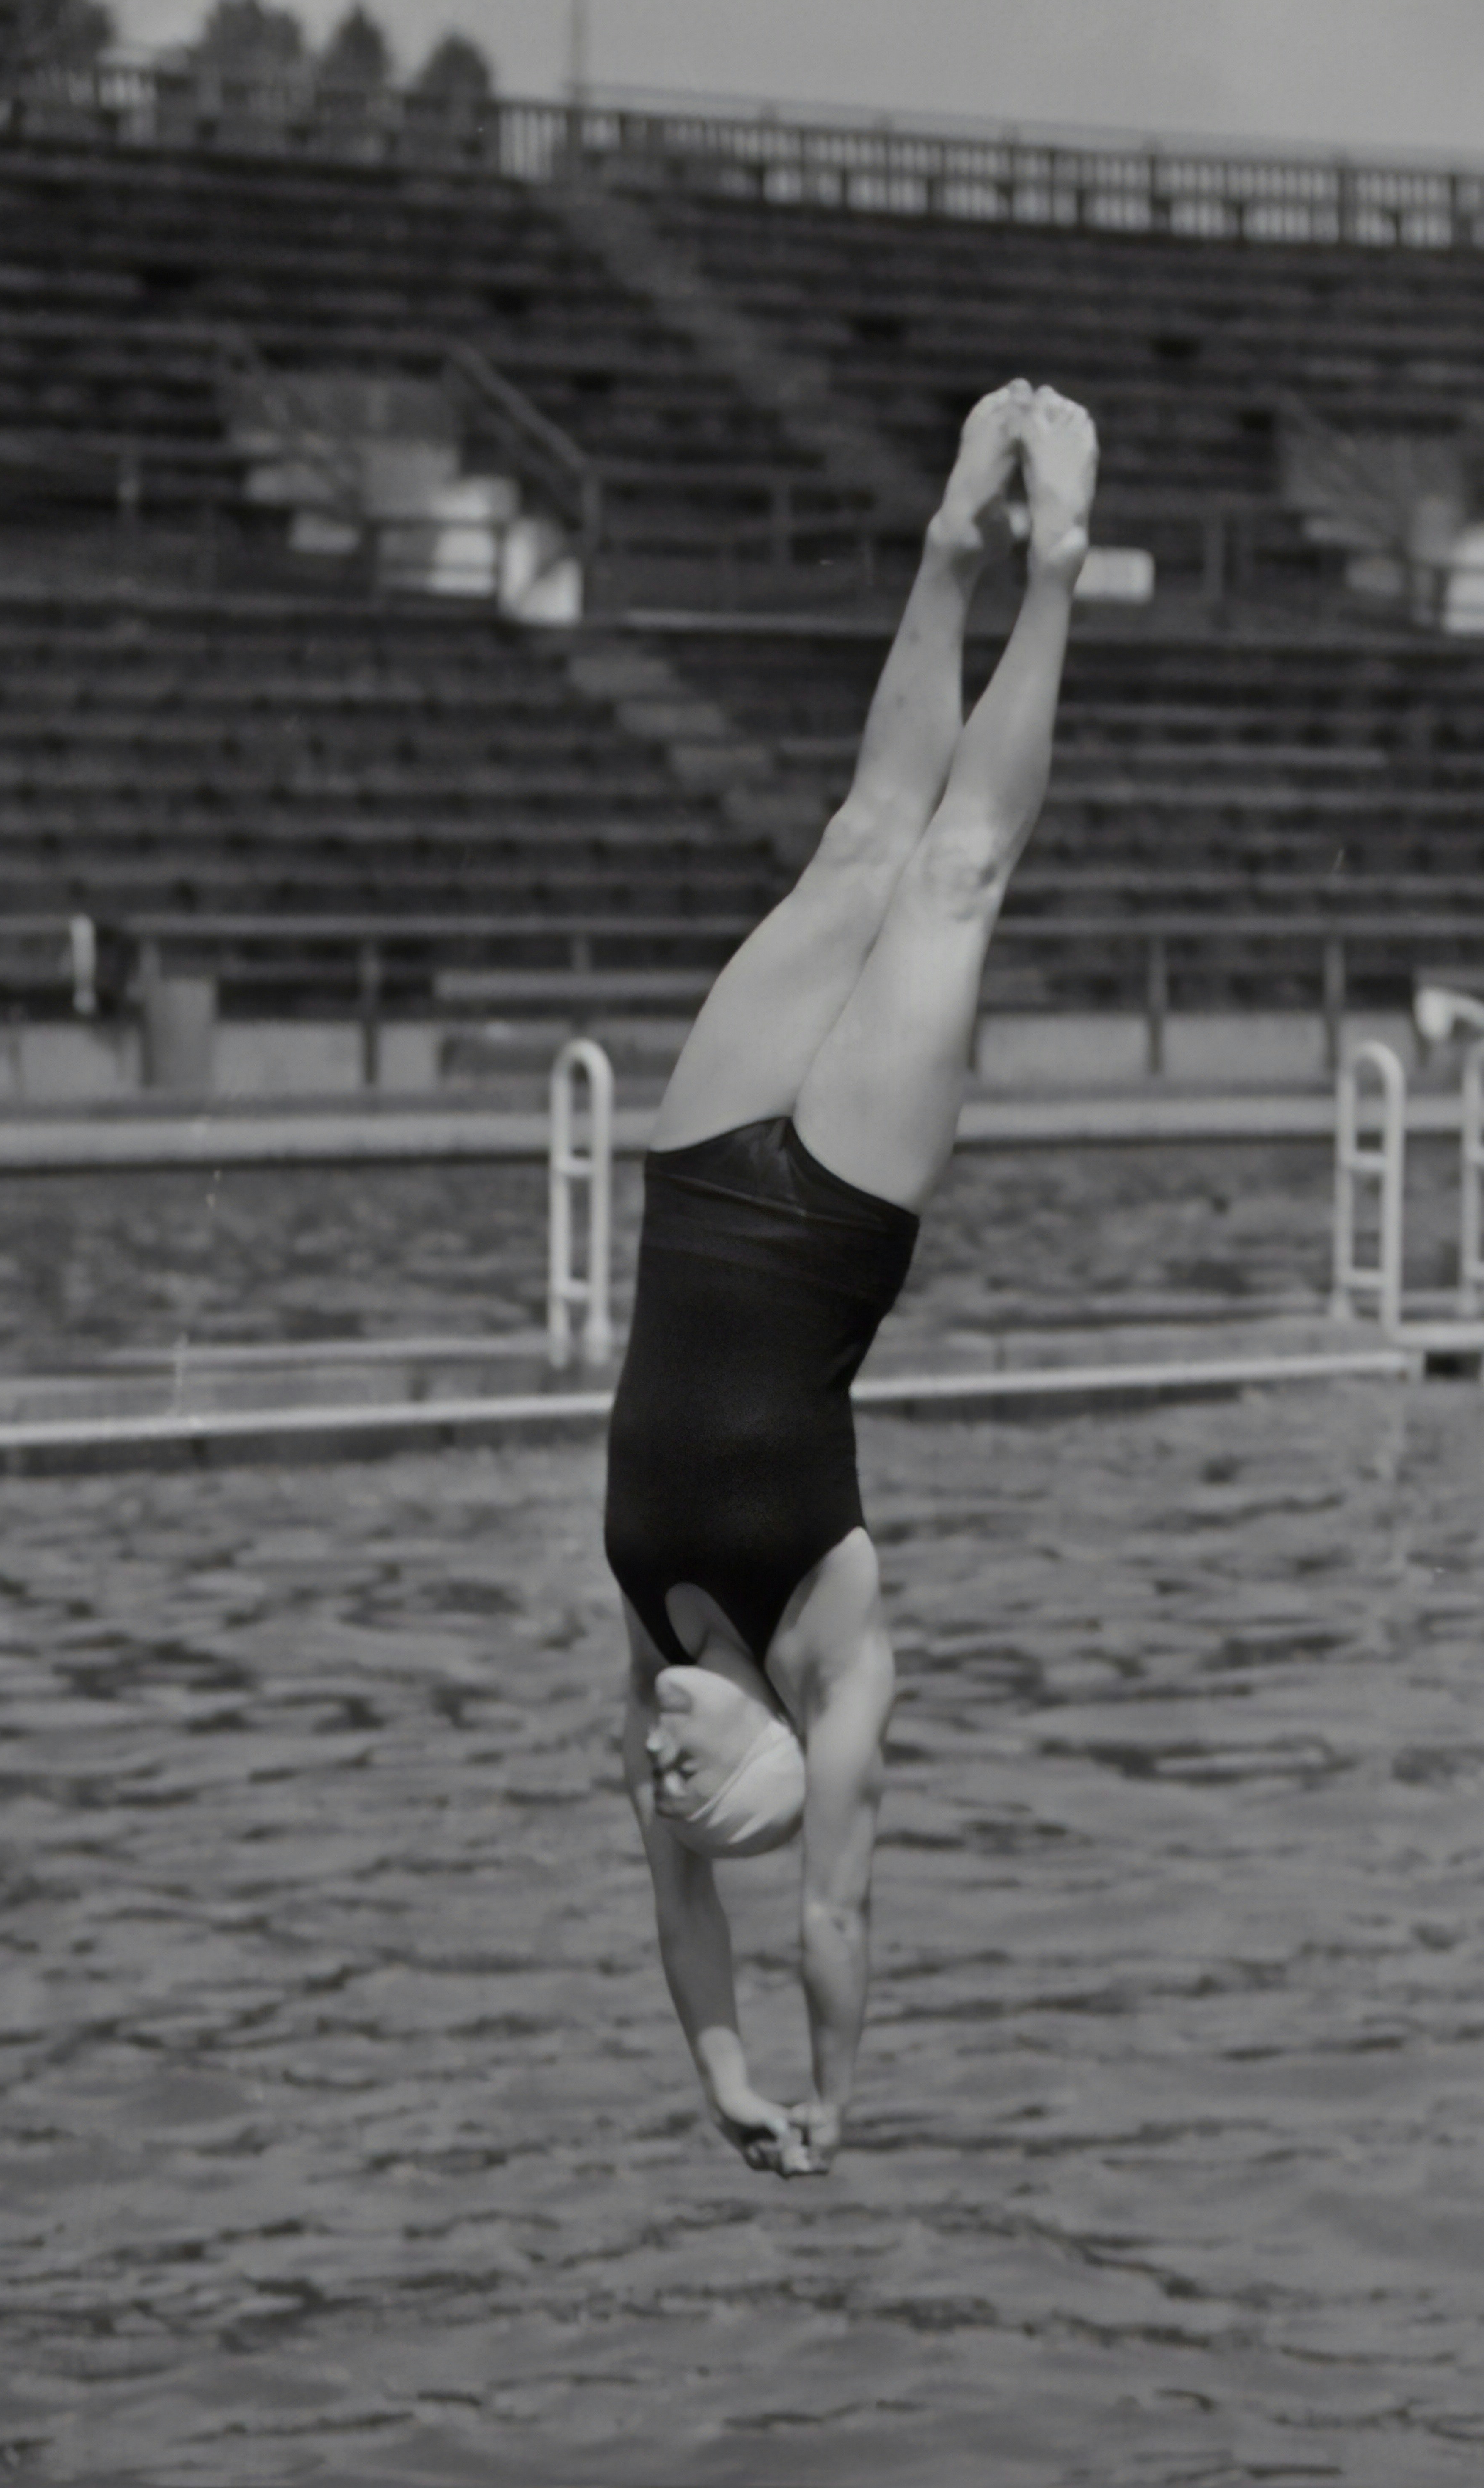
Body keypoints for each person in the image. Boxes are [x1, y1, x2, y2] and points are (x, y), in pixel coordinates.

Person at [604, 381, 1099, 2177]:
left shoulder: (653, 1643)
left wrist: (715, 2074)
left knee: (854, 844)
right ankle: (1051, 570)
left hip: (692, 1166)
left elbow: (681, 1918)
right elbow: (823, 1910)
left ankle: (937, 543)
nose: (651, 1774)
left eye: (658, 1782)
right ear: (760, 1761)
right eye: (683, 1782)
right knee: (952, 876)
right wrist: (827, 2097)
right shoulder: (833, 1657)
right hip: (829, 1214)